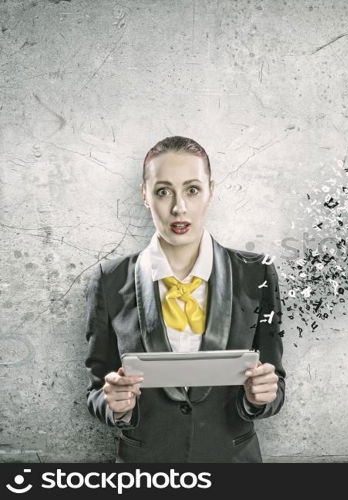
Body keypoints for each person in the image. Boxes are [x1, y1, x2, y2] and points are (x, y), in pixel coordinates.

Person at [84, 136, 285, 462]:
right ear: (145, 195)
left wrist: (260, 397)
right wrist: (114, 404)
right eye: (163, 191)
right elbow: (96, 390)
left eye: (192, 189)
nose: (179, 207)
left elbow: (276, 383)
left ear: (211, 191)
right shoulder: (110, 279)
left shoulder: (257, 274)